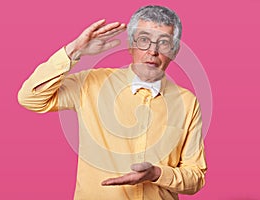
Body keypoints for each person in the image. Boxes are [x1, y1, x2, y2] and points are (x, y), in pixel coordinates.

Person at [18, 5, 207, 200]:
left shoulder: (187, 102)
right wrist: (74, 50)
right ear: (131, 45)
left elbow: (196, 177)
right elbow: (31, 98)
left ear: (175, 51)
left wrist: (157, 174)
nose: (152, 51)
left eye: (164, 43)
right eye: (144, 40)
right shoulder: (91, 83)